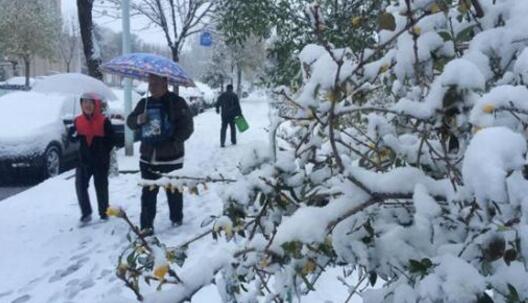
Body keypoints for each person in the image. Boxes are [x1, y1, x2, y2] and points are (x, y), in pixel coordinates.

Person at [127, 74, 194, 235]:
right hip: (148, 158)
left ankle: (176, 218)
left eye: (156, 83)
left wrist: (173, 140)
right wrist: (138, 120)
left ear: (165, 83)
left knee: (174, 192)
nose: (152, 87)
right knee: (148, 194)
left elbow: (188, 127)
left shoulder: (177, 103)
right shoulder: (144, 103)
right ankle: (146, 226)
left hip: (172, 159)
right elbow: (130, 122)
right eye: (150, 83)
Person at [71, 93, 115, 224]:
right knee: (80, 185)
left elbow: (112, 140)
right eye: (84, 102)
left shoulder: (104, 121)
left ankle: (104, 212)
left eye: (90, 102)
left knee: (101, 186)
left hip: (100, 160)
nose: (87, 105)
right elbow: (72, 139)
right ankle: (86, 213)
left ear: (96, 105)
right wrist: (72, 135)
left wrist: (103, 151)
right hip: (83, 160)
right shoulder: (78, 121)